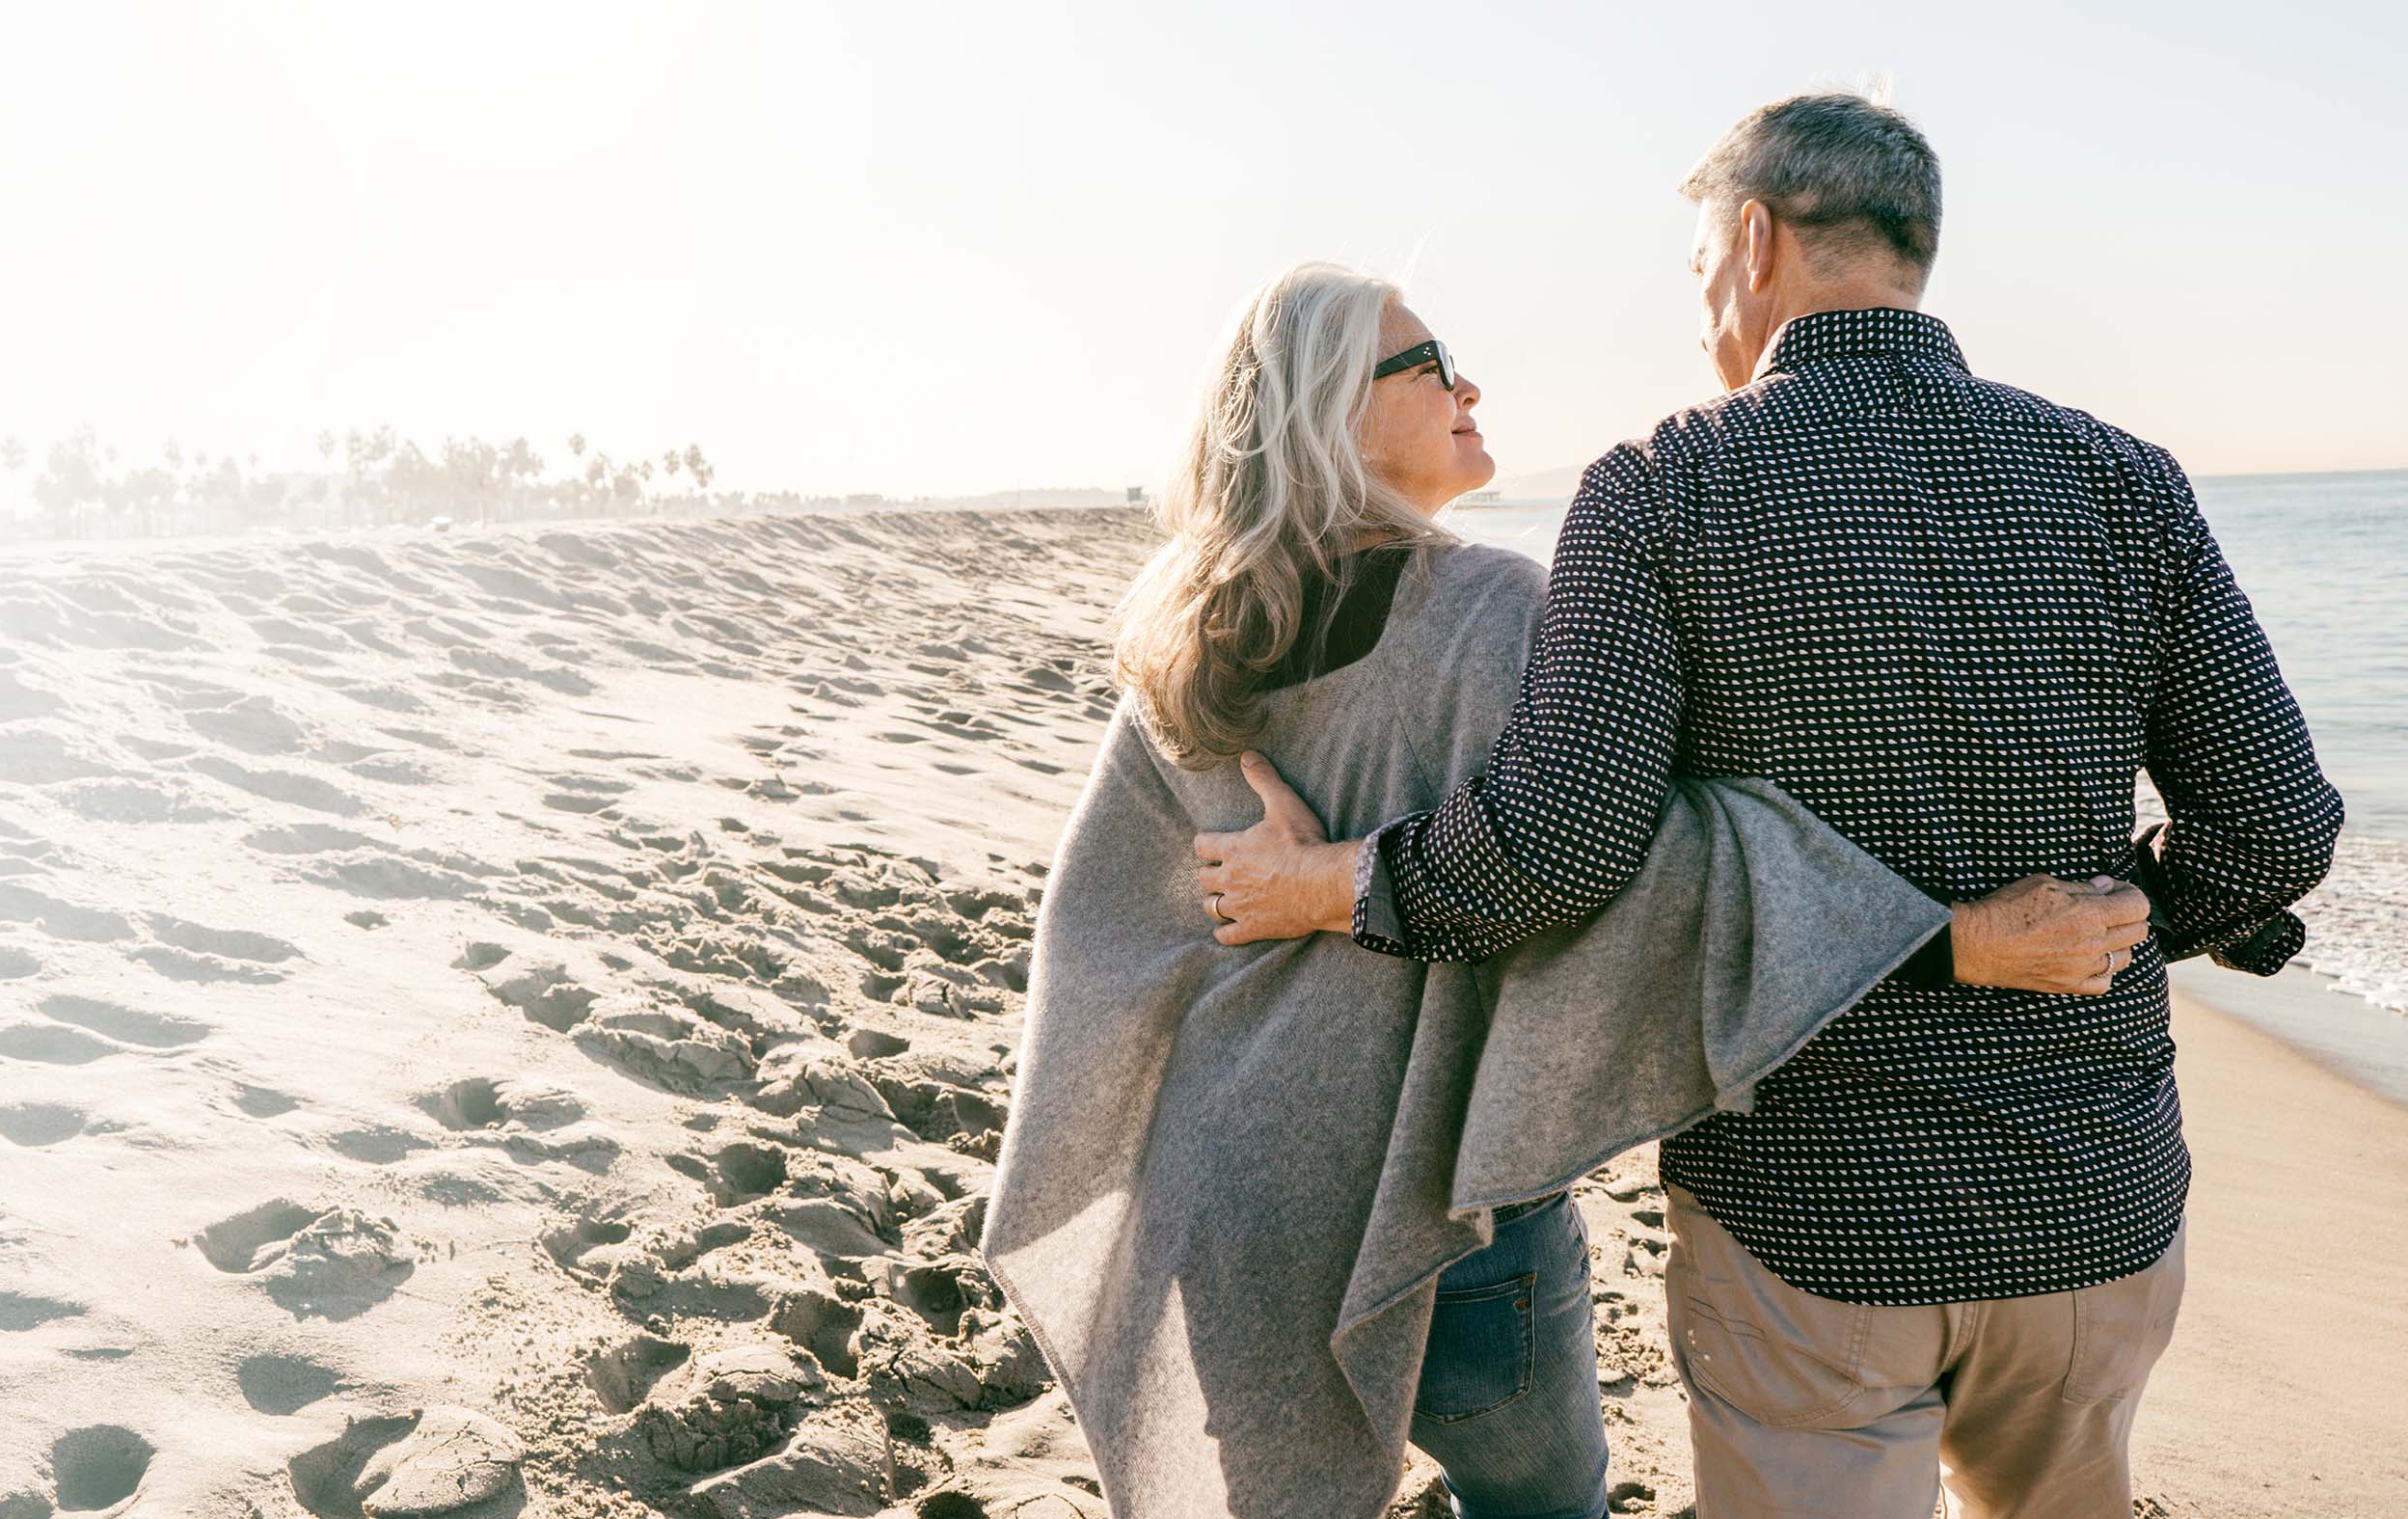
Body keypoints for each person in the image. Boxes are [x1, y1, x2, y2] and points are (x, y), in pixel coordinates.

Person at [1194, 94, 2343, 1518]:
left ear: (1752, 244)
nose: (1700, 317)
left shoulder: (1662, 488)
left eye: (1697, 271)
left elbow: (1559, 848)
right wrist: (2123, 922)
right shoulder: (2122, 479)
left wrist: (1335, 884)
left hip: (1810, 1208)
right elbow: (2279, 828)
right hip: (2090, 1193)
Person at [981, 261, 2154, 1519]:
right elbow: (1638, 865)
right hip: (1441, 1210)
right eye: (1429, 367)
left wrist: (1271, 931)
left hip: (1229, 1195)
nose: (1469, 387)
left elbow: (1101, 931)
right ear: (1332, 412)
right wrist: (1949, 939)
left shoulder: (1184, 633)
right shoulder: (1492, 612)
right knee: (1543, 1507)